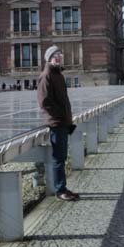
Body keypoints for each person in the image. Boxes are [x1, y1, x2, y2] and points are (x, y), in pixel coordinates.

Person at [37, 45, 79, 201]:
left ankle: (63, 188)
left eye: (60, 55)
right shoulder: (47, 75)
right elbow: (44, 102)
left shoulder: (58, 74)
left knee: (62, 157)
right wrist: (61, 117)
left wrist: (67, 120)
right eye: (55, 56)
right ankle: (60, 190)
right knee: (58, 158)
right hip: (56, 123)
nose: (59, 58)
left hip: (62, 122)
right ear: (49, 59)